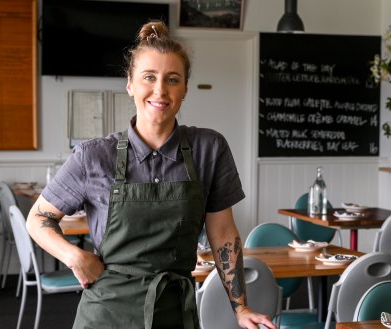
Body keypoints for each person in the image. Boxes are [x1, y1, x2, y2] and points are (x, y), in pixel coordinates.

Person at [25, 21, 277, 329]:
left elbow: (223, 233)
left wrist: (241, 308)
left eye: (172, 79)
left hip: (174, 311)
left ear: (184, 89)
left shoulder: (209, 149)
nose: (160, 90)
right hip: (106, 313)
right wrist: (75, 256)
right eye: (149, 77)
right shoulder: (94, 156)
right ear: (130, 84)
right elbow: (37, 219)